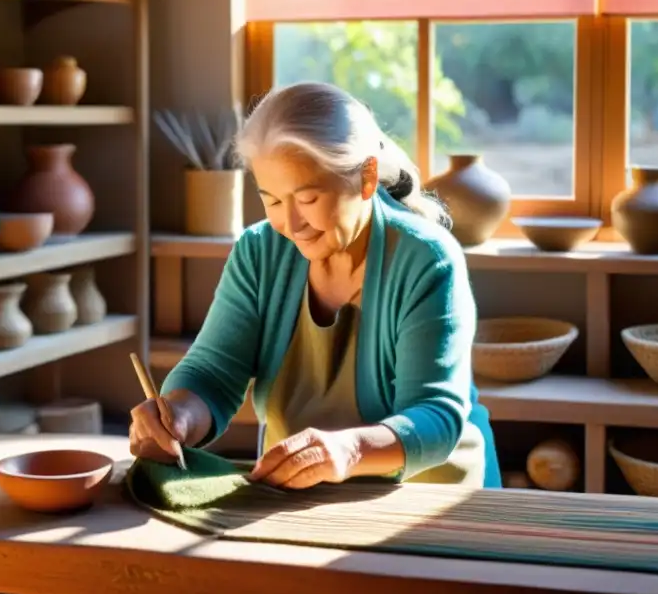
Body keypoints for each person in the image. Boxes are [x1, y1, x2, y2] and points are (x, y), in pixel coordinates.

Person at [131, 81, 501, 489]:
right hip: (302, 495)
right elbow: (212, 373)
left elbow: (433, 415)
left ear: (366, 177)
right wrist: (178, 418)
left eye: (307, 199)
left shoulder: (427, 258)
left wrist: (350, 450)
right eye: (271, 200)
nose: (290, 225)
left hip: (431, 498)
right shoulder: (259, 253)